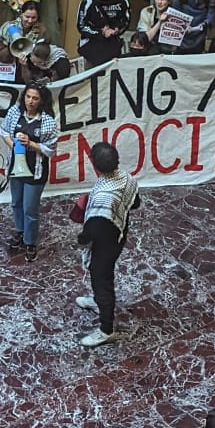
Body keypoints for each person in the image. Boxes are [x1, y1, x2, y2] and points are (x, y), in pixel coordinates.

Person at [78, 140, 141, 348]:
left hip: (105, 245)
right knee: (103, 277)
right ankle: (97, 301)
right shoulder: (127, 178)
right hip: (119, 233)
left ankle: (106, 330)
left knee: (101, 279)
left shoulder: (104, 195)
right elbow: (136, 202)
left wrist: (82, 239)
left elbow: (93, 230)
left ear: (94, 164)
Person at [0, 83, 57, 260]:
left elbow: (51, 149)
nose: (30, 101)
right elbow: (3, 131)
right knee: (16, 202)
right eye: (28, 97)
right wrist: (15, 145)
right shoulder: (15, 112)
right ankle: (20, 231)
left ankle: (30, 241)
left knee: (29, 208)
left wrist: (30, 144)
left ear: (41, 101)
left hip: (35, 171)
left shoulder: (47, 121)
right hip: (16, 167)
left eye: (35, 98)